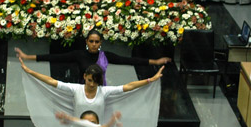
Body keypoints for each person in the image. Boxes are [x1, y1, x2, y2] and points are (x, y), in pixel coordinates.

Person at [20, 59, 163, 127]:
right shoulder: (75, 89)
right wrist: (30, 72)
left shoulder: (104, 92)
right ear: (84, 77)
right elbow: (52, 82)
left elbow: (128, 86)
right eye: (89, 80)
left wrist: (150, 80)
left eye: (95, 81)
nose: (92, 84)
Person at [15, 29, 171, 85]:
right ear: (87, 42)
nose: (94, 44)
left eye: (97, 42)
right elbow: (54, 58)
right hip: (82, 90)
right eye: (91, 41)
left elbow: (129, 60)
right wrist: (27, 57)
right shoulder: (78, 55)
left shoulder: (106, 56)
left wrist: (155, 61)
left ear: (100, 43)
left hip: (101, 91)